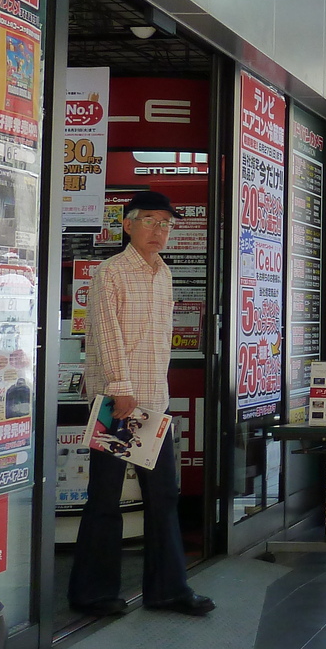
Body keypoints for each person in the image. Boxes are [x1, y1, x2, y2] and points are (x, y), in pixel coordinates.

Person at [69, 191, 214, 618]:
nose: (159, 230)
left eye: (166, 224)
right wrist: (120, 387)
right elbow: (105, 333)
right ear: (127, 225)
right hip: (119, 400)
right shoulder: (110, 273)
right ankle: (92, 593)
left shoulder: (164, 273)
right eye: (150, 221)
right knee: (105, 496)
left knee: (164, 494)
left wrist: (152, 395)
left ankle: (168, 589)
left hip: (153, 400)